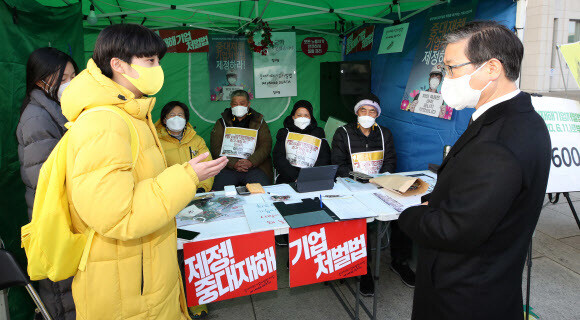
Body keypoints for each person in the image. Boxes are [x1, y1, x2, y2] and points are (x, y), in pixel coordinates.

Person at [60, 24, 228, 320]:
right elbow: (119, 216)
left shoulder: (133, 114)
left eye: (157, 61)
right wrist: (187, 177)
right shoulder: (105, 123)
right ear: (118, 65)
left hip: (143, 273)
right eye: (150, 61)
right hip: (127, 286)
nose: (158, 68)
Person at [398, 21, 551, 320]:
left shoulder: (501, 140)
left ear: (492, 68)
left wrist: (410, 213)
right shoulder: (518, 118)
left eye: (452, 68)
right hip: (487, 285)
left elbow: (455, 230)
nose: (445, 79)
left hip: (463, 298)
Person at [331, 94, 415, 296]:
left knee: (403, 213)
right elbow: (338, 164)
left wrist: (382, 176)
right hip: (352, 184)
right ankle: (364, 269)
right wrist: (361, 178)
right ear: (356, 113)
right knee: (362, 221)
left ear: (377, 114)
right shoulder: (343, 133)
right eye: (363, 110)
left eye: (372, 111)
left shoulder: (385, 133)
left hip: (380, 184)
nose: (367, 115)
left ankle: (400, 261)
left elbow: (391, 160)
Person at [16, 47, 78, 320]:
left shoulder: (57, 108)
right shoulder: (36, 117)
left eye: (73, 75)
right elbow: (44, 178)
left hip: (63, 213)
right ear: (41, 80)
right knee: (61, 293)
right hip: (52, 216)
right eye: (63, 77)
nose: (70, 83)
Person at [210, 90, 273, 190]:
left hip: (254, 167)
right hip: (228, 167)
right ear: (231, 105)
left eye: (242, 104)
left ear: (248, 104)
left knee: (264, 191)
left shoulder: (259, 121)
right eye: (235, 104)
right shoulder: (222, 122)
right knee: (218, 192)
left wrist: (251, 161)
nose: (238, 106)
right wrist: (233, 163)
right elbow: (215, 148)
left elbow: (266, 145)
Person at [155, 101, 214, 193]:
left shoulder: (197, 141)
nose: (176, 118)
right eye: (172, 115)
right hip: (169, 193)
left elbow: (207, 165)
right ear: (164, 120)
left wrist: (202, 188)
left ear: (185, 119)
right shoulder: (156, 142)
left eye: (180, 115)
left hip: (197, 190)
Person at [273, 100, 331, 184]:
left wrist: (309, 176)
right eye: (299, 115)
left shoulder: (318, 133)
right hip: (288, 176)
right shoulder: (285, 132)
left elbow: (324, 158)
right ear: (293, 117)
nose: (302, 118)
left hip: (313, 177)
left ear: (311, 117)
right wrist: (295, 177)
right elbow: (278, 158)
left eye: (306, 115)